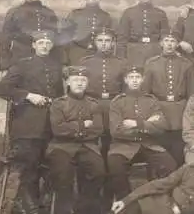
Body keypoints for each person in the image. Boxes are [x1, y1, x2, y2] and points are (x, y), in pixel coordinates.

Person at [0, 30, 65, 214]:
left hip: (50, 127)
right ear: (33, 45)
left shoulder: (56, 66)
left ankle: (34, 202)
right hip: (26, 127)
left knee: (55, 162)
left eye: (48, 43)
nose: (44, 45)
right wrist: (28, 95)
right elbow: (1, 89)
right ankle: (29, 206)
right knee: (30, 162)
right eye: (40, 42)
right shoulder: (22, 65)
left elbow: (60, 96)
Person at [108, 65, 178, 214]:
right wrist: (148, 124)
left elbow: (162, 126)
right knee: (115, 167)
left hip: (149, 145)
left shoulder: (151, 100)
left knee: (170, 165)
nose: (134, 80)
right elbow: (116, 131)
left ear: (142, 79)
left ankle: (160, 204)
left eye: (137, 77)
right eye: (131, 77)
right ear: (126, 80)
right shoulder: (117, 101)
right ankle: (125, 205)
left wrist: (136, 123)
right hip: (123, 146)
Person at [46, 66, 105, 214]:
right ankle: (63, 210)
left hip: (87, 146)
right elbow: (58, 130)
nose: (79, 83)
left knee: (99, 172)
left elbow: (98, 129)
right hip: (61, 147)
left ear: (87, 83)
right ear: (67, 83)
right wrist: (82, 125)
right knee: (63, 175)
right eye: (75, 80)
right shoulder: (58, 103)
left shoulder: (93, 103)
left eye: (83, 80)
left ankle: (84, 208)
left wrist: (71, 128)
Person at [111, 141, 194, 214]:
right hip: (158, 206)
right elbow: (160, 184)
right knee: (124, 210)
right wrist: (125, 200)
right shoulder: (189, 170)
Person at [141, 28, 194, 166]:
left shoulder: (186, 64)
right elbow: (145, 93)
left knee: (178, 148)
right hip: (158, 108)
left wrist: (190, 114)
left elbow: (192, 92)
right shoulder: (151, 63)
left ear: (178, 44)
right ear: (161, 43)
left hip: (180, 109)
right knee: (160, 148)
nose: (169, 44)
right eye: (166, 40)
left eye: (173, 41)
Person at [79, 26, 127, 157]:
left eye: (107, 40)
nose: (104, 43)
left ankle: (109, 167)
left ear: (113, 43)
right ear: (95, 42)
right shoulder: (85, 62)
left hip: (113, 104)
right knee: (90, 138)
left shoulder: (122, 63)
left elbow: (125, 88)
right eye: (100, 40)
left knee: (111, 138)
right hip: (92, 104)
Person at [0, 0, 60, 71]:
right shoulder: (15, 12)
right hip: (20, 58)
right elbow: (5, 40)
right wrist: (4, 65)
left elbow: (55, 38)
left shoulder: (49, 13)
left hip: (43, 59)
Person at [117, 0, 170, 66]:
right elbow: (122, 38)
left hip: (155, 52)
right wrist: (122, 59)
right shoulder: (128, 12)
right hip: (134, 52)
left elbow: (165, 35)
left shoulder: (160, 13)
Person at [61, 0, 113, 65]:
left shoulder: (105, 16)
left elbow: (110, 39)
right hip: (77, 52)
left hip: (97, 53)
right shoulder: (75, 14)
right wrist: (65, 59)